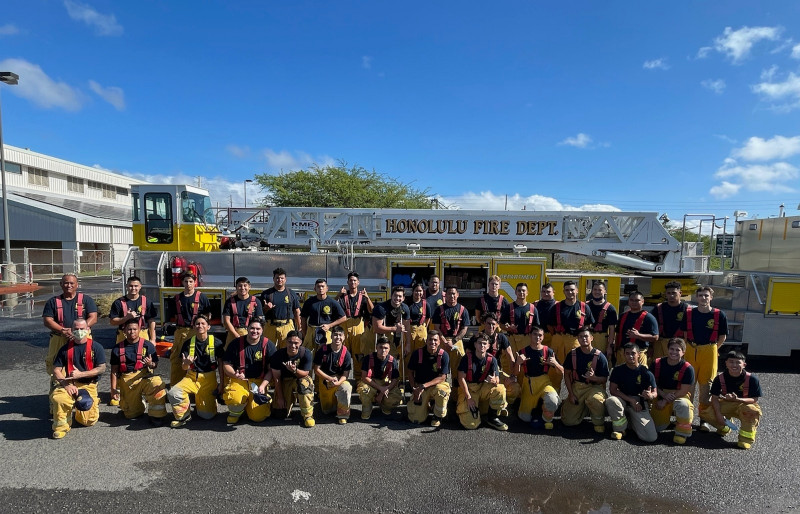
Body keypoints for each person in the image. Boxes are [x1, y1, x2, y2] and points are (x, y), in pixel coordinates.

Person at [49, 319, 106, 439]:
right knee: (59, 398)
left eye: (82, 329)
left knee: (88, 421)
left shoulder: (97, 347)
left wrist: (81, 374)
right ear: (72, 330)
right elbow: (56, 370)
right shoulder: (64, 349)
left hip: (88, 385)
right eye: (76, 329)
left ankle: (88, 403)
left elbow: (101, 368)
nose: (79, 331)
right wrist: (66, 385)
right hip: (70, 383)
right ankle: (61, 427)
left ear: (88, 330)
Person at [108, 275, 158, 407]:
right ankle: (119, 391)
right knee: (122, 362)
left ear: (140, 287)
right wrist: (126, 317)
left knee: (146, 361)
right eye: (130, 286)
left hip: (142, 332)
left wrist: (153, 338)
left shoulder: (146, 301)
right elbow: (113, 321)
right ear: (126, 286)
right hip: (124, 333)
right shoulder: (119, 303)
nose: (133, 288)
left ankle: (146, 390)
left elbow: (151, 321)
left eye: (136, 286)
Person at [167, 314, 225, 427]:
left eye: (203, 323)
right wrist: (186, 364)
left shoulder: (217, 343)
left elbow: (221, 365)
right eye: (197, 323)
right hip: (191, 377)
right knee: (173, 393)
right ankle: (184, 416)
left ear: (208, 326)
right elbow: (184, 367)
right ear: (193, 327)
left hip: (208, 379)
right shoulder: (188, 343)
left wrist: (221, 385)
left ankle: (211, 403)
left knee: (206, 416)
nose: (200, 326)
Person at [700, 351, 763, 450]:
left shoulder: (752, 379)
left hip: (744, 404)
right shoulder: (719, 378)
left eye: (738, 362)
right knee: (706, 413)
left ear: (744, 365)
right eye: (731, 362)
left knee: (752, 411)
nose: (734, 365)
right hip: (727, 404)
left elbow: (754, 399)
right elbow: (715, 398)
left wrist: (737, 399)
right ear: (726, 363)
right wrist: (718, 415)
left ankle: (745, 440)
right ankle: (725, 427)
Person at [110, 319, 167, 425]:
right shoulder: (117, 349)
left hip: (144, 375)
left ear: (140, 330)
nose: (132, 332)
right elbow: (114, 371)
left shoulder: (148, 345)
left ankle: (157, 415)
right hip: (127, 380)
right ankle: (140, 404)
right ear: (124, 331)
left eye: (135, 329)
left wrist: (150, 364)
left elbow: (155, 364)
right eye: (129, 329)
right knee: (131, 415)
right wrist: (113, 390)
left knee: (157, 384)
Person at [685, 286, 728, 424]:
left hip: (710, 350)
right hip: (691, 349)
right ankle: (686, 418)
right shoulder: (689, 313)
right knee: (688, 385)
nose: (703, 298)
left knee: (706, 386)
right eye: (701, 295)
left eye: (706, 295)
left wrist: (714, 349)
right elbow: (685, 333)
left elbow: (723, 336)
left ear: (711, 297)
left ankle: (704, 419)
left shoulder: (719, 314)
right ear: (696, 297)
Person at [222, 318, 277, 424]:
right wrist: (235, 374)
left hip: (258, 382)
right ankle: (236, 413)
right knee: (235, 398)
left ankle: (265, 399)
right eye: (252, 328)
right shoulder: (235, 344)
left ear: (262, 330)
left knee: (258, 417)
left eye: (258, 329)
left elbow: (271, 370)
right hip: (239, 380)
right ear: (247, 328)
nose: (254, 331)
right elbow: (226, 364)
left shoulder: (268, 345)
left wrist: (263, 386)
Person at [42, 274, 98, 378]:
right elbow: (47, 320)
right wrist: (62, 330)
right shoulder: (53, 302)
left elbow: (93, 318)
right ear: (61, 284)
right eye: (66, 283)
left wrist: (79, 330)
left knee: (86, 361)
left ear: (77, 285)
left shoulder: (87, 300)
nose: (69, 285)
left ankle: (86, 386)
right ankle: (59, 387)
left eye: (72, 283)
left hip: (83, 338)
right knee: (56, 364)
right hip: (59, 338)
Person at [604, 343, 658, 442]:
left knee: (650, 438)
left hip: (639, 404)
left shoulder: (646, 372)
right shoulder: (618, 370)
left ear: (638, 354)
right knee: (611, 401)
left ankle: (631, 421)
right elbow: (612, 390)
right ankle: (620, 430)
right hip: (623, 400)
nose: (630, 356)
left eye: (633, 353)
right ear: (624, 355)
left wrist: (650, 395)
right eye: (627, 353)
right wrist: (631, 400)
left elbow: (655, 393)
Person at [166, 272, 211, 387]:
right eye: (186, 281)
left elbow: (208, 315)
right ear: (182, 282)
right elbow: (173, 316)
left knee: (196, 359)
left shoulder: (202, 297)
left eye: (191, 281)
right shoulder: (177, 299)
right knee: (177, 358)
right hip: (180, 332)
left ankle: (196, 386)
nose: (188, 284)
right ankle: (176, 386)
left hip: (196, 332)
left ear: (195, 282)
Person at [548, 281, 594, 390]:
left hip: (575, 340)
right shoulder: (557, 307)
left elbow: (588, 325)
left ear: (577, 291)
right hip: (558, 339)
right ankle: (554, 398)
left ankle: (575, 394)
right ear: (564, 292)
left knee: (576, 369)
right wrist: (557, 336)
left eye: (572, 290)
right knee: (554, 370)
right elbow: (549, 325)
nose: (570, 292)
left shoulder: (584, 307)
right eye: (567, 290)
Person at [561, 326, 609, 433]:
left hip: (594, 387)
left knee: (595, 400)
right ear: (578, 339)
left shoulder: (600, 356)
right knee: (568, 422)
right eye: (581, 337)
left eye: (586, 336)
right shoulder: (572, 354)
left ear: (592, 338)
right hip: (578, 387)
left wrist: (594, 378)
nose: (584, 339)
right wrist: (571, 394)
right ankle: (584, 408)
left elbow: (604, 379)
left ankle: (598, 422)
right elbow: (567, 374)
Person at [456, 333, 508, 430]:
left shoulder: (492, 360)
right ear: (475, 344)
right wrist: (468, 397)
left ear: (488, 346)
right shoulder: (466, 358)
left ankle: (493, 418)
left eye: (484, 343)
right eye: (479, 343)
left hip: (482, 387)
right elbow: (461, 378)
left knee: (500, 389)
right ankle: (472, 409)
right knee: (471, 425)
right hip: (469, 389)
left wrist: (494, 380)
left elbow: (497, 378)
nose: (482, 345)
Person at [515, 325, 562, 429]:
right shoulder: (523, 352)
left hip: (544, 382)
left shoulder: (548, 351)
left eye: (540, 335)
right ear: (530, 335)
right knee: (525, 418)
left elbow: (561, 372)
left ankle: (546, 418)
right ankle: (538, 406)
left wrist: (555, 364)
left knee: (552, 401)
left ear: (543, 337)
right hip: (529, 383)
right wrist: (518, 363)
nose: (537, 337)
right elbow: (515, 373)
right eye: (535, 334)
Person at [651, 338, 695, 444]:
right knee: (657, 428)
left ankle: (682, 433)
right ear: (667, 349)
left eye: (678, 350)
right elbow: (652, 384)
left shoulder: (688, 368)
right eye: (672, 349)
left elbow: (684, 390)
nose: (674, 352)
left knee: (683, 405)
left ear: (683, 352)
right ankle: (666, 420)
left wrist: (666, 400)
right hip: (661, 393)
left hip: (679, 394)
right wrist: (663, 395)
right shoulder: (657, 363)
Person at [270, 330, 315, 427]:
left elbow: (305, 373)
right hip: (284, 381)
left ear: (301, 343)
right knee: (279, 413)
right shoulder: (277, 355)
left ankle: (308, 416)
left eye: (296, 343)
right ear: (286, 341)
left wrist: (294, 370)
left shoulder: (306, 353)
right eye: (290, 342)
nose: (293, 346)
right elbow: (276, 378)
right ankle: (290, 399)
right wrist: (280, 398)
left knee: (304, 385)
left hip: (300, 378)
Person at [406, 330, 451, 427]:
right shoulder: (417, 353)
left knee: (442, 392)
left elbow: (442, 377)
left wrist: (424, 386)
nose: (433, 342)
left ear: (439, 342)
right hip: (420, 387)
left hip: (436, 385)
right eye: (430, 339)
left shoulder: (444, 355)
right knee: (416, 419)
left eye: (435, 340)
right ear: (426, 341)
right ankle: (426, 406)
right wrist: (414, 389)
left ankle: (437, 416)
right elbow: (410, 372)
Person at [313, 325, 353, 424]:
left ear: (344, 337)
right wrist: (329, 378)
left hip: (338, 380)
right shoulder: (323, 350)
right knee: (327, 411)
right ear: (331, 336)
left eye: (340, 335)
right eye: (335, 335)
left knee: (347, 387)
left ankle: (343, 415)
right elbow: (316, 370)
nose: (338, 338)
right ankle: (333, 403)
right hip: (325, 380)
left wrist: (338, 382)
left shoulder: (346, 353)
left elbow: (346, 374)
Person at [479, 313, 520, 408]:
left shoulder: (501, 338)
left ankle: (506, 406)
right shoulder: (477, 338)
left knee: (514, 387)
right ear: (484, 323)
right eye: (489, 323)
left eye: (494, 324)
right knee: (483, 408)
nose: (491, 326)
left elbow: (511, 358)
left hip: (496, 371)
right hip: (479, 373)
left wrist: (512, 377)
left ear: (497, 324)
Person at [337, 271, 373, 375]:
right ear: (347, 282)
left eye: (354, 280)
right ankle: (343, 376)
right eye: (351, 280)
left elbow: (371, 310)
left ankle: (359, 377)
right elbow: (332, 307)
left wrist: (367, 297)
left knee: (359, 354)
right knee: (343, 352)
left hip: (358, 326)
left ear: (358, 282)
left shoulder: (363, 296)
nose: (352, 282)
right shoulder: (343, 296)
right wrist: (338, 294)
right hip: (345, 324)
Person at [432, 286, 470, 385]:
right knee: (439, 369)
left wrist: (453, 341)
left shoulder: (463, 310)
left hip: (457, 342)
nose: (451, 296)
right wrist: (444, 341)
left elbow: (464, 329)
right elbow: (436, 327)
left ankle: (456, 397)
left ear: (457, 295)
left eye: (454, 293)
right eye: (449, 293)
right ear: (445, 295)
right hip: (441, 341)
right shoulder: (439, 310)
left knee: (458, 370)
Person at [357, 336, 402, 419]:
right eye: (380, 347)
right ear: (376, 347)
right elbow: (364, 377)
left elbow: (395, 380)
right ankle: (367, 408)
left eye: (386, 348)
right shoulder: (368, 358)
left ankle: (385, 406)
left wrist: (383, 392)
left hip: (386, 384)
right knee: (364, 390)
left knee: (396, 396)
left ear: (389, 349)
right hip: (371, 382)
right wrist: (380, 388)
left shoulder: (393, 361)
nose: (383, 350)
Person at [372, 286, 411, 377]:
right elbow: (377, 328)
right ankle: (375, 378)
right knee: (377, 355)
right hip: (376, 333)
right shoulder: (381, 308)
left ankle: (394, 379)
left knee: (391, 356)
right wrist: (394, 328)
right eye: (395, 295)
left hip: (392, 333)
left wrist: (408, 344)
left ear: (403, 298)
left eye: (400, 296)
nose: (397, 298)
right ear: (391, 295)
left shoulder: (405, 308)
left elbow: (407, 327)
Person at [259, 267, 302, 348]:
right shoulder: (266, 294)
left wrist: (299, 327)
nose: (279, 280)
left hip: (287, 325)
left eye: (282, 278)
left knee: (287, 349)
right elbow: (260, 313)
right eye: (277, 278)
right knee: (267, 348)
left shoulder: (291, 294)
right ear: (273, 279)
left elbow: (297, 311)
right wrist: (266, 308)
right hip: (270, 326)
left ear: (285, 279)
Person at [501, 283, 540, 369]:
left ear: (527, 293)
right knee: (510, 363)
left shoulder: (532, 308)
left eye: (523, 290)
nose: (521, 292)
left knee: (526, 363)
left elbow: (537, 328)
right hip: (512, 339)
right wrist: (508, 327)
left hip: (527, 339)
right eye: (519, 290)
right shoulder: (509, 307)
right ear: (515, 292)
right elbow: (501, 324)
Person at [300, 278, 347, 350]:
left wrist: (329, 325)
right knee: (306, 354)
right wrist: (305, 334)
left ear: (327, 288)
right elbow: (303, 318)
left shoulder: (332, 302)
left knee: (324, 354)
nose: (320, 288)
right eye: (318, 287)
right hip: (311, 330)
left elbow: (343, 318)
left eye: (323, 286)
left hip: (326, 331)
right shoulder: (309, 302)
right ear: (314, 289)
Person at [614, 291, 658, 367]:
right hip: (622, 353)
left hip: (639, 353)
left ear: (642, 302)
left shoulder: (649, 318)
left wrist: (638, 335)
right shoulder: (623, 316)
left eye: (637, 300)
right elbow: (617, 334)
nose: (634, 302)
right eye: (631, 300)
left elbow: (655, 337)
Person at [650, 281, 688, 362]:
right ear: (665, 294)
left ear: (680, 293)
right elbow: (651, 328)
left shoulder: (687, 309)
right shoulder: (658, 308)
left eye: (674, 293)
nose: (671, 295)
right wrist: (650, 346)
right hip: (660, 344)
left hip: (679, 345)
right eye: (668, 293)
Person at [223, 277, 264, 349]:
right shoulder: (229, 301)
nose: (242, 288)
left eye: (245, 285)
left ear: (249, 287)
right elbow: (226, 320)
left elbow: (259, 320)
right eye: (240, 286)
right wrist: (236, 335)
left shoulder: (256, 302)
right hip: (233, 332)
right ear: (236, 287)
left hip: (250, 332)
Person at [587, 281, 618, 358]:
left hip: (602, 339)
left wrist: (610, 346)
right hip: (587, 337)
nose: (597, 292)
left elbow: (612, 329)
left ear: (605, 291)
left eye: (600, 290)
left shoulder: (610, 309)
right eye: (595, 289)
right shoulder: (586, 305)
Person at [407, 283, 430, 355]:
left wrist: (424, 327)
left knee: (421, 353)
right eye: (416, 291)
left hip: (421, 329)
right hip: (409, 329)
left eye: (420, 291)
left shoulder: (426, 304)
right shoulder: (407, 303)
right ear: (413, 291)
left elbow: (428, 318)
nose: (418, 293)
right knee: (407, 352)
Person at [535, 283, 556, 347]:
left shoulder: (558, 305)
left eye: (548, 292)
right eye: (543, 291)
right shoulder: (536, 305)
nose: (546, 294)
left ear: (553, 292)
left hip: (553, 336)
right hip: (538, 336)